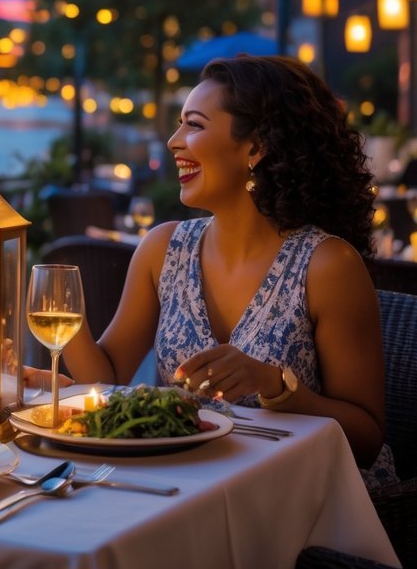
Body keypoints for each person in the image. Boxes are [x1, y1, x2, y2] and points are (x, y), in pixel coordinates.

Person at [61, 55, 393, 478]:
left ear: (255, 147)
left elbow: (366, 438)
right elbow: (106, 379)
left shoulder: (326, 265)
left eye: (194, 125)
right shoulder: (164, 250)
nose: (173, 141)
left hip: (307, 493)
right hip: (195, 480)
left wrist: (275, 386)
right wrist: (58, 312)